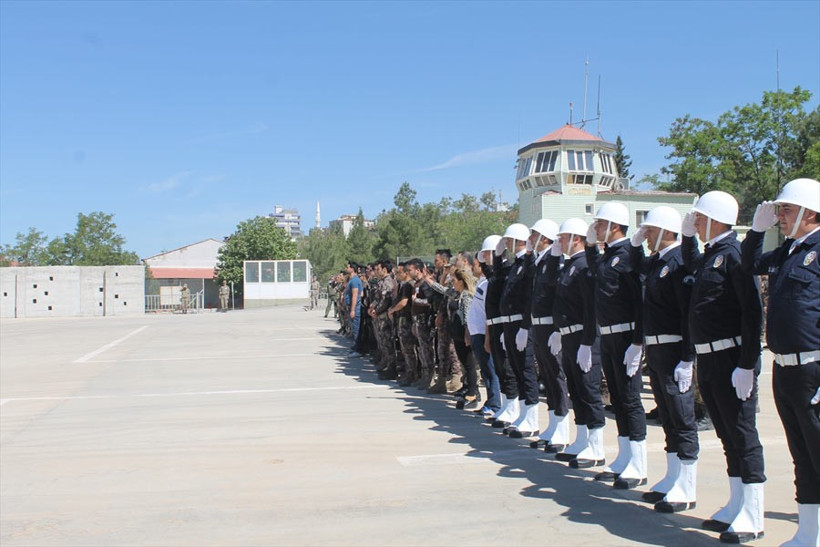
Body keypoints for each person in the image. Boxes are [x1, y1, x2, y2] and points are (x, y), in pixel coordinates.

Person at [680, 191, 765, 541]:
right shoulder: (712, 254)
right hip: (710, 357)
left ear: (716, 219)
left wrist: (748, 363)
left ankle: (754, 511)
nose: (696, 223)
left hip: (731, 357)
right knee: (726, 433)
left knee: (743, 433)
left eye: (699, 218)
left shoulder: (734, 255)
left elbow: (752, 311)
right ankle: (736, 502)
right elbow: (690, 265)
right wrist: (687, 238)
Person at [741, 178, 820, 547]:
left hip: (813, 368)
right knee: (802, 456)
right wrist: (756, 233)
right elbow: (750, 264)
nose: (780, 216)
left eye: (787, 209)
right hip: (786, 368)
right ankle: (808, 533)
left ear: (810, 212)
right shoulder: (788, 251)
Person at [629, 207, 699, 506]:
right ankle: (673, 477)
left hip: (674, 347)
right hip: (657, 348)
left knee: (682, 417)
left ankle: (688, 484)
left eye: (651, 230)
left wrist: (688, 356)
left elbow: (688, 313)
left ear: (668, 231)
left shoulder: (678, 260)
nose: (647, 235)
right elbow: (638, 267)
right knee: (668, 416)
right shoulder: (658, 261)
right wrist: (634, 246)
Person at [585, 203, 647, 489]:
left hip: (625, 336)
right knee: (619, 400)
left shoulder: (627, 257)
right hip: (608, 334)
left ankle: (639, 462)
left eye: (600, 223)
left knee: (631, 400)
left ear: (615, 226)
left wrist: (637, 341)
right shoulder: (608, 256)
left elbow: (639, 302)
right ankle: (624, 456)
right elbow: (595, 274)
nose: (596, 228)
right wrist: (589, 246)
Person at [549, 218, 605, 469]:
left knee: (589, 390)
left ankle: (596, 445)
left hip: (584, 336)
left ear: (577, 238)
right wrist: (559, 331)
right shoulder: (570, 265)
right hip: (570, 335)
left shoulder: (584, 266)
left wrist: (587, 341)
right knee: (577, 390)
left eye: (564, 237)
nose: (559, 241)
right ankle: (582, 439)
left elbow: (591, 308)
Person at [528, 219, 571, 452]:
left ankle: (562, 429)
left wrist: (557, 329)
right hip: (538, 325)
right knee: (546, 374)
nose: (531, 239)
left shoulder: (555, 262)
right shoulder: (540, 262)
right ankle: (553, 424)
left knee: (556, 376)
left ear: (545, 238)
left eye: (535, 235)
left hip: (549, 325)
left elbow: (557, 297)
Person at [467, 237, 502, 417]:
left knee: (490, 370)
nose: (474, 266)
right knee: (486, 371)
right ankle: (491, 400)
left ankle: (495, 403)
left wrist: (488, 337)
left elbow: (489, 313)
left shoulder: (489, 283)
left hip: (484, 332)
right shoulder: (482, 282)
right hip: (476, 332)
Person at [345, 261, 363, 354]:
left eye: (347, 267)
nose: (346, 269)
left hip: (355, 308)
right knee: (354, 328)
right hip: (352, 307)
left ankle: (358, 350)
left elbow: (355, 295)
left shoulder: (355, 280)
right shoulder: (352, 280)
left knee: (356, 329)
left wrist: (352, 310)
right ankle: (356, 347)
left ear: (352, 269)